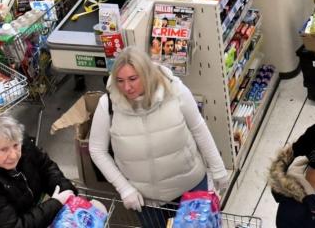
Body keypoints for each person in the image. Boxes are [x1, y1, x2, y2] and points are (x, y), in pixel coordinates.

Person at [89, 48, 229, 228]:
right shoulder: (108, 104)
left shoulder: (175, 90)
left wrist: (218, 168)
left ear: (147, 74)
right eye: (120, 81)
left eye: (133, 79)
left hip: (190, 186)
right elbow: (97, 150)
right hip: (148, 201)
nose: (127, 87)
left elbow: (198, 128)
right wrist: (124, 188)